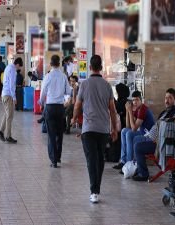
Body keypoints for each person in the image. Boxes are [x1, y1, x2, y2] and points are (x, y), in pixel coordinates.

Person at [71, 55, 118, 203]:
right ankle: (96, 188)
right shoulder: (107, 85)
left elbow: (78, 105)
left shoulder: (84, 85)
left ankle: (94, 191)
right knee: (99, 158)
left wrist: (73, 119)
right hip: (103, 129)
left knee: (92, 159)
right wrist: (114, 129)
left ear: (90, 67)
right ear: (101, 67)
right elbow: (112, 109)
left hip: (88, 128)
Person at [132, 88, 175, 181]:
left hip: (161, 144)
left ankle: (143, 174)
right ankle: (137, 168)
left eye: (170, 98)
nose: (167, 100)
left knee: (137, 146)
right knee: (135, 139)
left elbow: (170, 128)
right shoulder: (165, 112)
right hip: (154, 138)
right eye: (166, 98)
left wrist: (156, 138)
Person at [39, 55, 71, 168]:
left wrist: (41, 103)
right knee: (59, 134)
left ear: (51, 64)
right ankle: (58, 157)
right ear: (59, 64)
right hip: (60, 108)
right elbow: (68, 91)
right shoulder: (63, 76)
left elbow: (43, 92)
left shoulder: (48, 76)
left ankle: (53, 161)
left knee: (51, 134)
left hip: (50, 107)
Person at [113, 91, 155, 172]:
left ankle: (129, 164)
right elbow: (128, 126)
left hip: (149, 137)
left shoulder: (143, 109)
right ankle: (123, 161)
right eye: (133, 100)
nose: (135, 102)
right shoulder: (137, 109)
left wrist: (130, 112)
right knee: (124, 131)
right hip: (143, 133)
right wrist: (128, 111)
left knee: (129, 134)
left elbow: (134, 129)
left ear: (141, 100)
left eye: (137, 100)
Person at [0, 57, 23, 144]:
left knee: (7, 114)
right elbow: (12, 85)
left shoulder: (8, 67)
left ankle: (1, 131)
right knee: (10, 116)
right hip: (8, 95)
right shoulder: (12, 70)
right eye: (19, 67)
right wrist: (14, 98)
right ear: (18, 64)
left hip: (4, 94)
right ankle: (8, 136)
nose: (18, 69)